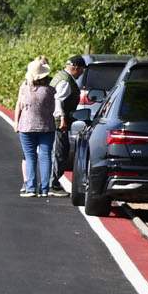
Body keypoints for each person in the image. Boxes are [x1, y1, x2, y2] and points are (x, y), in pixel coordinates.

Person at [15, 57, 57, 198]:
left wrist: (16, 122)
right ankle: (44, 189)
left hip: (26, 126)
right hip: (47, 127)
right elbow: (52, 109)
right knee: (45, 157)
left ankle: (31, 187)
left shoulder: (25, 88)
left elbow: (19, 106)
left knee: (30, 157)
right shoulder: (50, 91)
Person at [49, 54, 86, 196]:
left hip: (55, 120)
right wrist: (63, 118)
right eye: (81, 69)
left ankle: (53, 181)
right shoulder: (65, 82)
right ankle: (53, 184)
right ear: (75, 68)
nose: (82, 72)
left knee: (59, 151)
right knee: (60, 151)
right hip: (59, 121)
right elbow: (58, 100)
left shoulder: (60, 76)